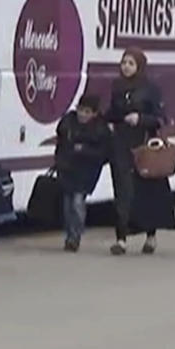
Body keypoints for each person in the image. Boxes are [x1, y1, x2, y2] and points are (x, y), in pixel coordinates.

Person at [104, 47, 175, 255]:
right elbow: (113, 112)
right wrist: (106, 121)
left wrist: (141, 119)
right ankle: (121, 239)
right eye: (123, 62)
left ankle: (151, 236)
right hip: (121, 145)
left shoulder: (150, 88)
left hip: (144, 146)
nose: (126, 67)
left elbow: (161, 118)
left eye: (130, 63)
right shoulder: (117, 86)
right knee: (122, 190)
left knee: (147, 190)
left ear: (139, 66)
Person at [54, 95, 111, 252]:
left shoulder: (100, 129)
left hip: (86, 171)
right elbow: (61, 141)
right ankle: (70, 234)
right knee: (67, 205)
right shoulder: (68, 122)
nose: (82, 115)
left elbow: (103, 153)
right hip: (67, 168)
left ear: (94, 113)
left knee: (77, 201)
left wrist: (84, 150)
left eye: (87, 112)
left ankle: (76, 235)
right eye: (81, 110)